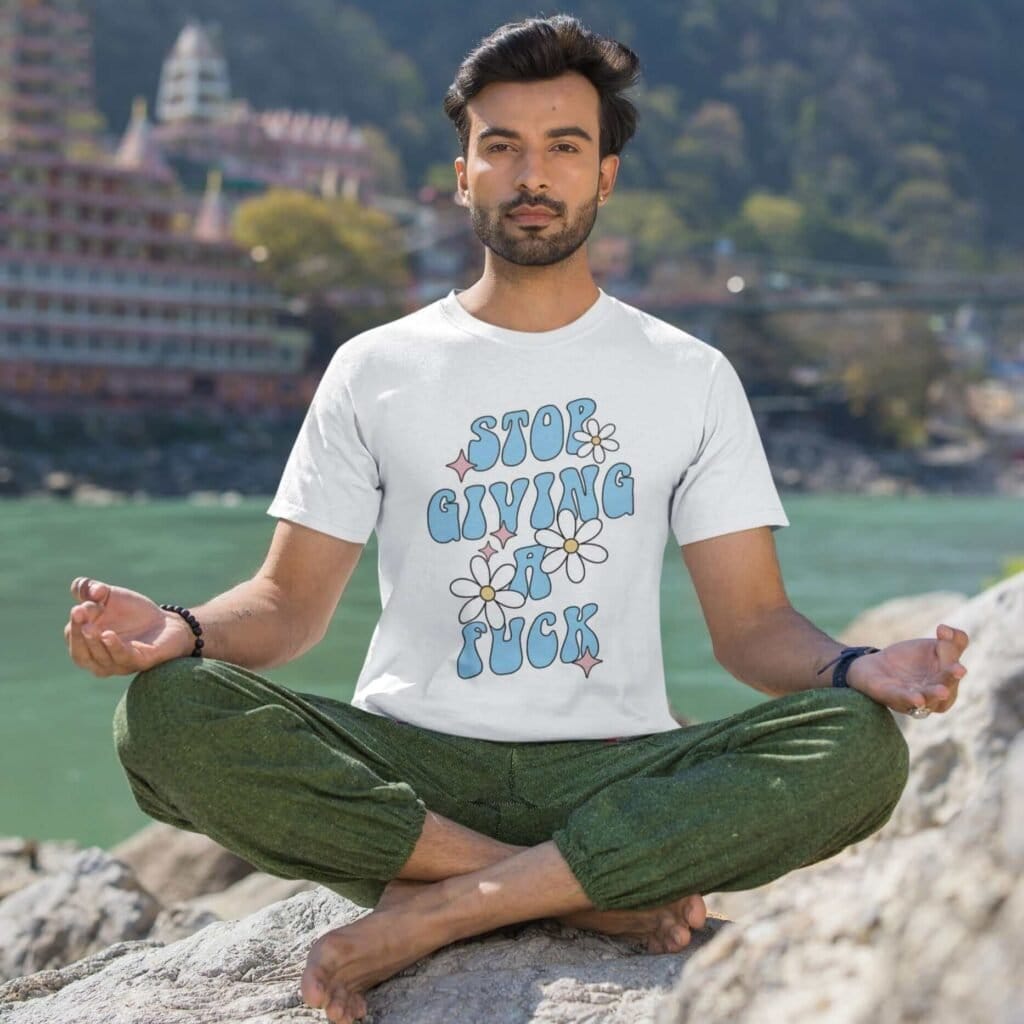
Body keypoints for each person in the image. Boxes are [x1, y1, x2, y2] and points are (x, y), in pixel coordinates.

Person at [64, 15, 970, 1024]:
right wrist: (177, 633)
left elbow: (751, 628)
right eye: (501, 147)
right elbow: (285, 605)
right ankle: (573, 893)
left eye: (564, 147)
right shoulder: (376, 367)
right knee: (162, 714)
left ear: (605, 177)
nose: (530, 173)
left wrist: (856, 669)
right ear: (461, 174)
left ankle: (440, 910)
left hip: (612, 772)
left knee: (861, 748)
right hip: (414, 776)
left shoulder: (690, 375)